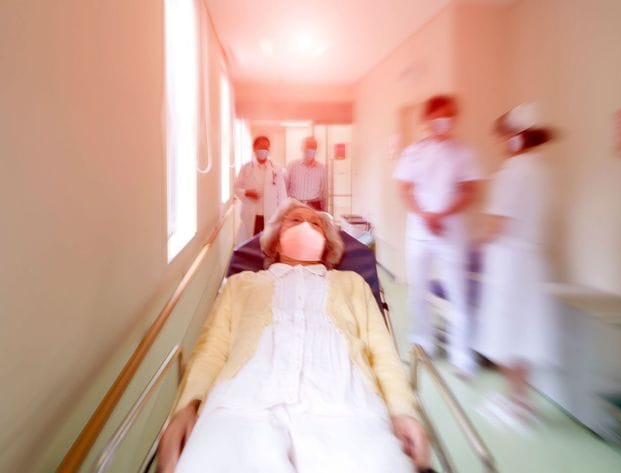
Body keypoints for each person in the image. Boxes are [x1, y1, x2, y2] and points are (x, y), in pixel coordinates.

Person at [157, 199, 429, 473]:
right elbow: (211, 350)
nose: (306, 226)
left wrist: (403, 411)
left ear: (327, 244)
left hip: (348, 405)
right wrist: (185, 408)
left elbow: (382, 352)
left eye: (316, 224)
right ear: (275, 240)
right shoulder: (241, 285)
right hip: (241, 406)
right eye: (296, 220)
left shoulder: (351, 283)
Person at [475, 103, 554, 423]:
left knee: (505, 333)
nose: (499, 142)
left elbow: (498, 223)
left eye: (502, 136)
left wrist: (478, 244)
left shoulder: (512, 172)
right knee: (524, 332)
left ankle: (514, 405)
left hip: (508, 263)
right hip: (531, 260)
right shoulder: (541, 169)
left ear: (514, 137)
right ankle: (522, 402)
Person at [393, 95, 483, 376]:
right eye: (439, 116)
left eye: (450, 116)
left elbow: (471, 190)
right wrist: (424, 215)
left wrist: (442, 214)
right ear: (427, 119)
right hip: (419, 231)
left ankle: (461, 355)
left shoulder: (463, 152)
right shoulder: (413, 152)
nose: (445, 121)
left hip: (451, 231)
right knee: (417, 290)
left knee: (457, 292)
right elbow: (405, 189)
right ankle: (422, 344)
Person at [234, 135, 287, 243]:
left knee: (267, 244)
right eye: (261, 147)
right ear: (254, 148)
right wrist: (246, 193)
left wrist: (282, 215)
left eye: (266, 148)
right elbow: (236, 187)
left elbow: (282, 194)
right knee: (250, 243)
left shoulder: (276, 169)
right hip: (251, 213)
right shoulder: (246, 168)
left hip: (270, 214)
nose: (264, 150)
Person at [286, 136, 327, 210]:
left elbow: (324, 191)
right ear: (302, 148)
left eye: (313, 147)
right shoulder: (292, 165)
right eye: (308, 146)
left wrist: (324, 209)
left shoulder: (321, 168)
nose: (310, 149)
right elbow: (285, 187)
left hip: (314, 205)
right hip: (295, 205)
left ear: (316, 149)